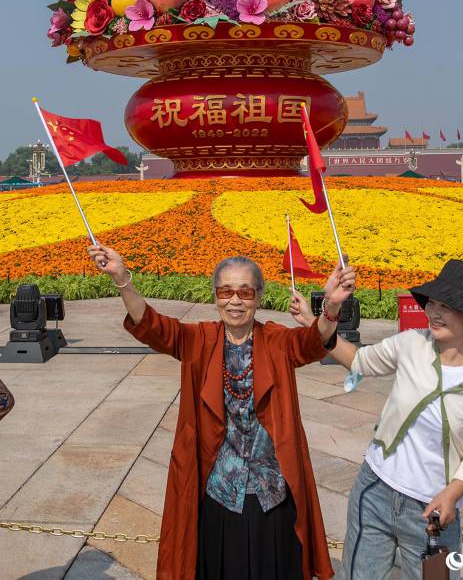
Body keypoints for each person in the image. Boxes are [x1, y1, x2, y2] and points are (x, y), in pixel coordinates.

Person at [88, 241, 356, 580]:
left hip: (271, 494)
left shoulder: (276, 340)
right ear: (215, 296)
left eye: (244, 293)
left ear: (259, 297)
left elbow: (313, 342)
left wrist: (331, 305)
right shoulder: (198, 339)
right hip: (219, 493)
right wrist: (123, 279)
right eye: (225, 291)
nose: (234, 301)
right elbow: (153, 325)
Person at [291, 259, 463, 580]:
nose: (434, 312)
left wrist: (452, 494)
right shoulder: (412, 343)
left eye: (447, 306)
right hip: (374, 490)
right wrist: (320, 319)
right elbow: (359, 361)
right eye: (432, 303)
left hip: (431, 513)